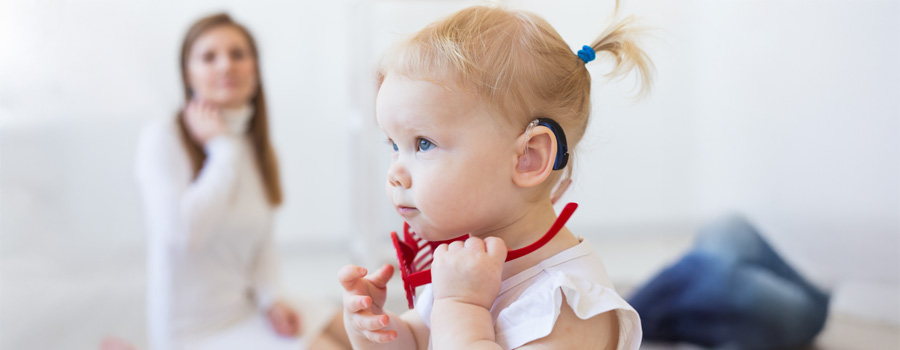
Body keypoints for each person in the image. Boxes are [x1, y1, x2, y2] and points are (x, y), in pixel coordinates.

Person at [337, 6, 653, 350]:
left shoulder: (567, 303)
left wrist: (461, 308)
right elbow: (417, 340)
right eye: (394, 145)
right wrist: (373, 330)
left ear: (528, 158)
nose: (394, 173)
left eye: (423, 144)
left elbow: (451, 330)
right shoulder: (466, 265)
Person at [134, 13, 349, 350]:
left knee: (360, 333)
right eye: (208, 57)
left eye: (238, 54)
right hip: (196, 331)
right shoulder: (163, 137)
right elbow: (184, 236)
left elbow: (260, 242)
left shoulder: (254, 146)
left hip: (249, 306)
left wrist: (271, 298)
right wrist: (222, 150)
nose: (225, 66)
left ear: (255, 69)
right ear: (188, 74)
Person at [628, 215, 830, 349]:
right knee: (713, 262)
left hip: (808, 309)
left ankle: (629, 314)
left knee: (714, 254)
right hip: (801, 306)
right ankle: (630, 314)